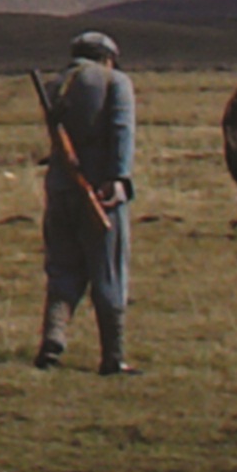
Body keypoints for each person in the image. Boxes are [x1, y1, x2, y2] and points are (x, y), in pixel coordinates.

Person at [32, 28, 140, 373]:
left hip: (60, 188)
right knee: (108, 271)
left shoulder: (56, 84)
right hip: (99, 189)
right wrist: (119, 178)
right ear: (108, 56)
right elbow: (122, 131)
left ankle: (53, 340)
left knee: (62, 268)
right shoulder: (114, 81)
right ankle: (114, 356)